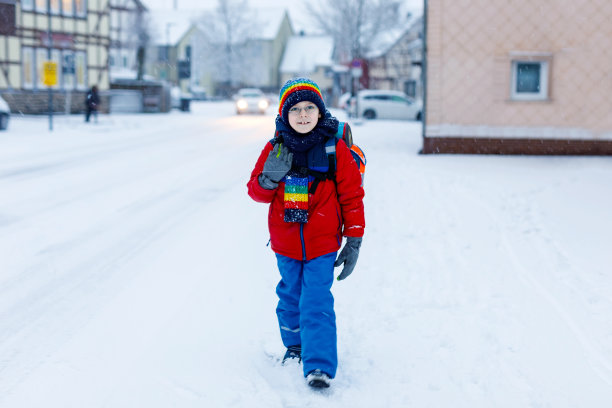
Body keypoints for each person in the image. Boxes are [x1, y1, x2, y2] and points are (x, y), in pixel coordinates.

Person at [247, 78, 365, 388]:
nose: (302, 115)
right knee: (289, 298)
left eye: (309, 107)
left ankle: (319, 366)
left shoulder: (333, 149)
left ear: (320, 111)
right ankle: (296, 347)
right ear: (284, 115)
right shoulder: (275, 149)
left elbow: (352, 197)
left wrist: (354, 239)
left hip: (323, 244)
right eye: (295, 109)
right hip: (285, 244)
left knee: (315, 300)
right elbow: (255, 193)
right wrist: (269, 179)